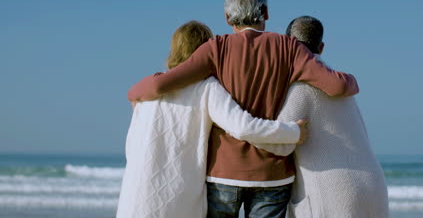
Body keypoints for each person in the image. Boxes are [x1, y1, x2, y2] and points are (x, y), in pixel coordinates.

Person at [128, 0, 359, 218]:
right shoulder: (290, 48)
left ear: (228, 17)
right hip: (273, 174)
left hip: (223, 173)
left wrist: (133, 93)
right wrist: (353, 80)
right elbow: (337, 86)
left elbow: (161, 84)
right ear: (266, 13)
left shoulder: (215, 48)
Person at [117, 21, 309, 218]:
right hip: (177, 197)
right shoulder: (205, 87)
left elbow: (131, 146)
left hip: (136, 194)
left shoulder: (148, 92)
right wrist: (292, 132)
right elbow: (243, 127)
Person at [255, 16, 389, 217]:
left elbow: (278, 144)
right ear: (322, 47)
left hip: (337, 191)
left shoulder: (301, 88)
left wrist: (242, 127)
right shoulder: (341, 86)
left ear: (289, 45)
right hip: (373, 185)